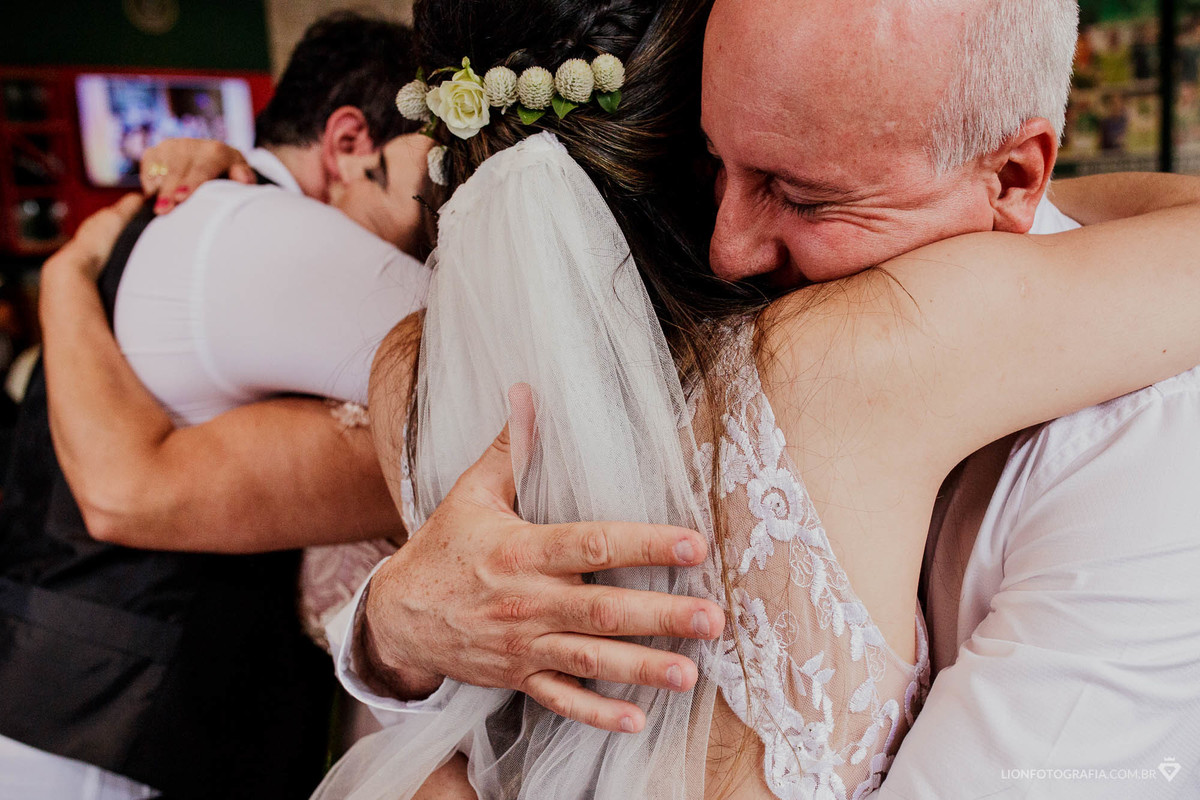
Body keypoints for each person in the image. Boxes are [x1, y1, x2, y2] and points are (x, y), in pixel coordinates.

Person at [323, 0, 1200, 797]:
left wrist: (386, 647)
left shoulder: (1144, 460)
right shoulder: (708, 363)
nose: (728, 248)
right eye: (715, 165)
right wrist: (390, 630)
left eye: (801, 195)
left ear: (1011, 178)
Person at [0, 13, 429, 800]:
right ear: (348, 142)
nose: (442, 200)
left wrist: (65, 274)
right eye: (431, 167)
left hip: (63, 696)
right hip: (121, 727)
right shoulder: (274, 233)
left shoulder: (181, 215)